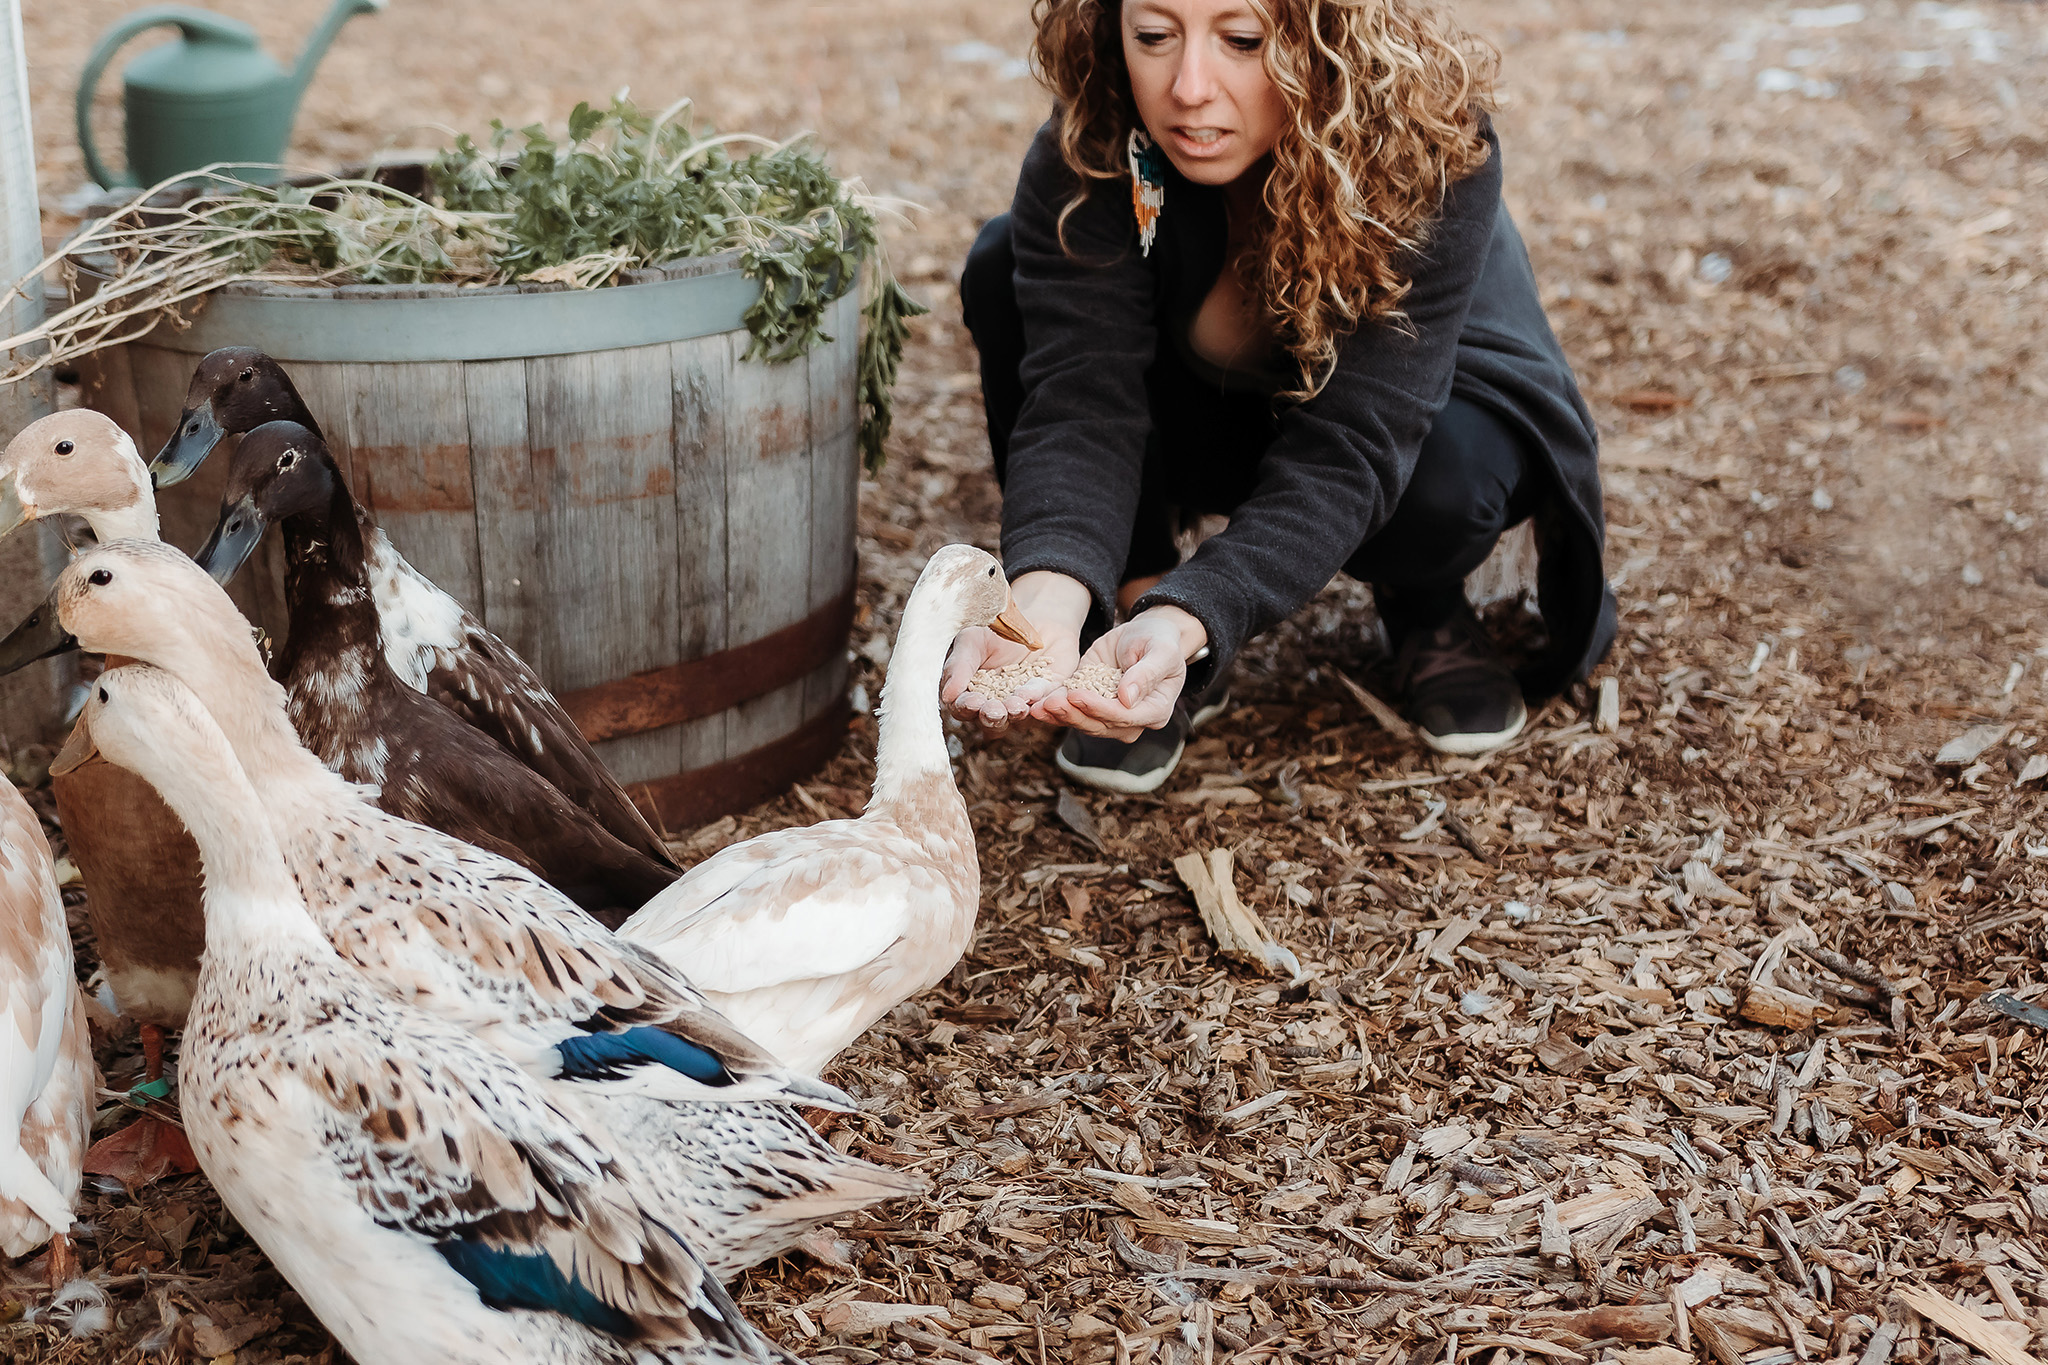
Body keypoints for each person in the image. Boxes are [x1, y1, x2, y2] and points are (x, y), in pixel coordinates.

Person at [940, 0, 1616, 795]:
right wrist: (1048, 599)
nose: (1189, 86)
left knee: (1443, 487)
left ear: (1328, 34)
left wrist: (1211, 604)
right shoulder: (1097, 138)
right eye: (1154, 36)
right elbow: (1084, 403)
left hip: (1412, 425)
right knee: (1004, 267)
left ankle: (1422, 595)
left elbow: (1357, 442)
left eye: (1242, 40)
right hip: (1223, 412)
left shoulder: (1428, 148)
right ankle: (1136, 614)